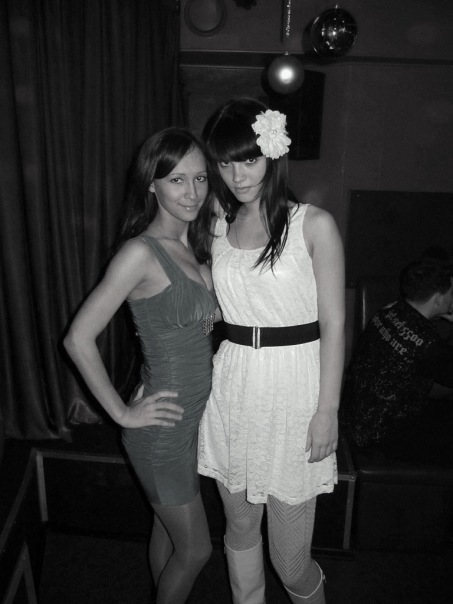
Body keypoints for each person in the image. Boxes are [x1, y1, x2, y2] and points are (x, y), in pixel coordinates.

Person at [197, 99, 345, 604]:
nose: (237, 175)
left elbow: (335, 323)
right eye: (224, 163)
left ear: (273, 153)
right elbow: (212, 298)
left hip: (294, 390)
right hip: (234, 384)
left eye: (249, 159)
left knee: (290, 561)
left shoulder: (313, 224)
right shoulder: (217, 225)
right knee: (239, 529)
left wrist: (327, 411)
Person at [64, 128, 218, 604]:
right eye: (177, 180)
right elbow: (77, 338)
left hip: (186, 424)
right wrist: (122, 413)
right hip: (161, 434)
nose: (192, 192)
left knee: (167, 533)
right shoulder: (140, 252)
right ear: (152, 184)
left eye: (200, 178)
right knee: (197, 550)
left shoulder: (189, 246)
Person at [340, 258, 453, 449]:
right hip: (383, 436)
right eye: (451, 293)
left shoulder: (389, 309)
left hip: (353, 415)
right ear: (438, 299)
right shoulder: (429, 344)